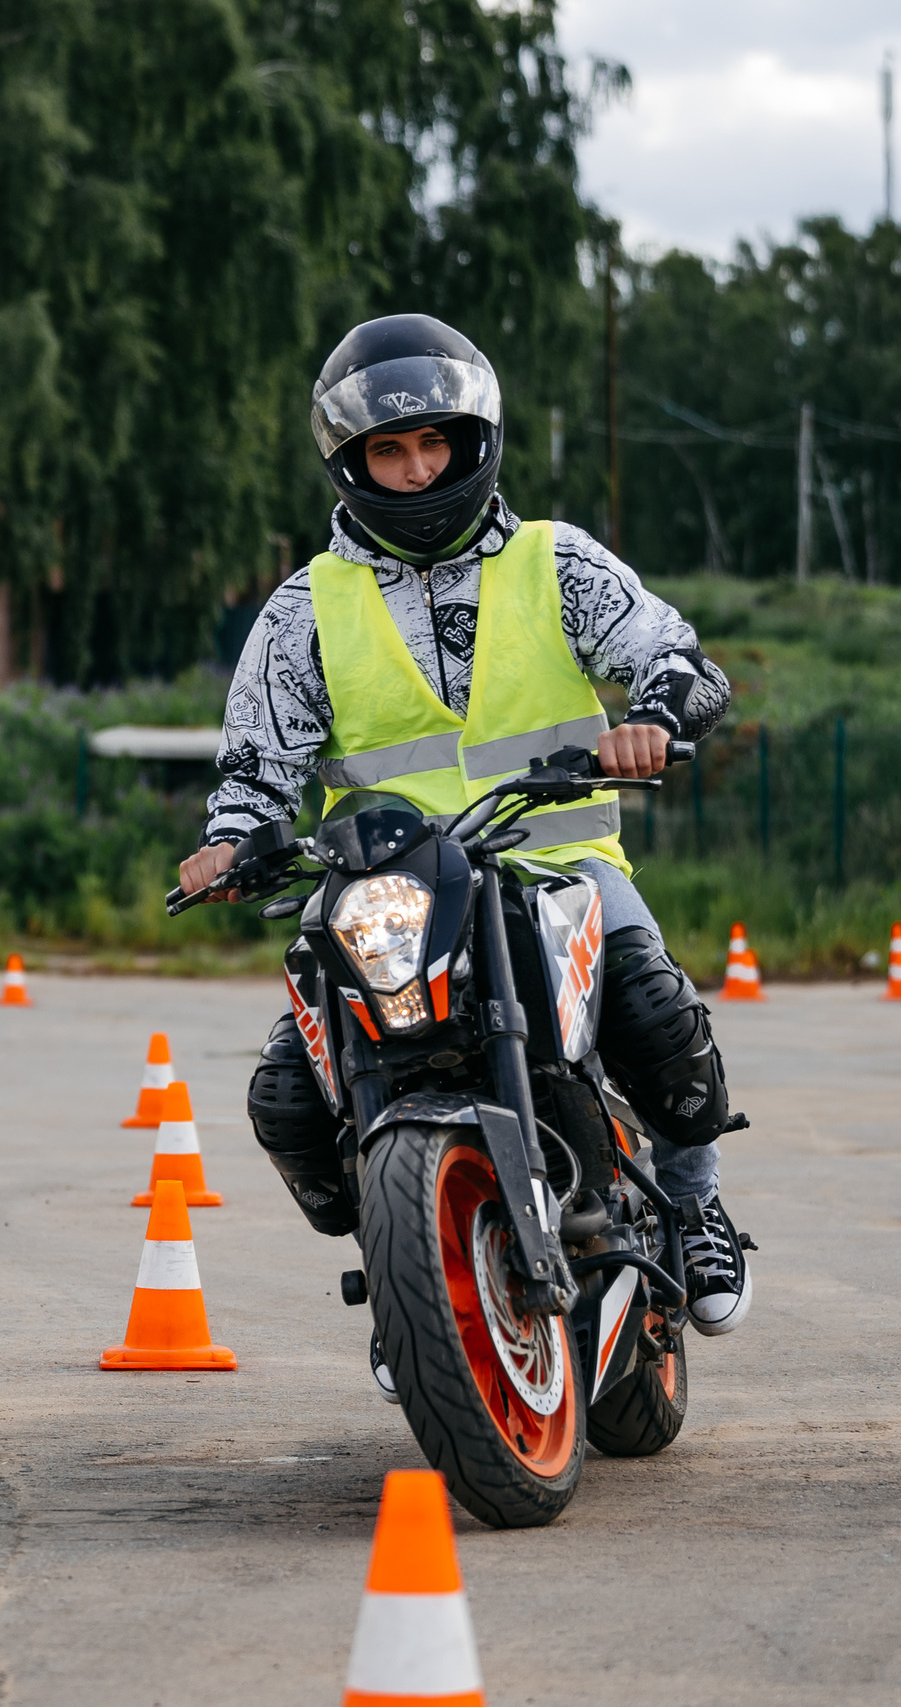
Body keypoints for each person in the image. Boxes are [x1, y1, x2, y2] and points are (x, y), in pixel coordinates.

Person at [179, 313, 752, 1392]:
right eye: (388, 452)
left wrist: (658, 715)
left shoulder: (556, 562)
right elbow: (257, 769)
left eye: (431, 443)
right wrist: (226, 845)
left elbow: (676, 658)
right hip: (385, 892)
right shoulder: (305, 608)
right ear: (352, 464)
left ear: (472, 439)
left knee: (649, 1004)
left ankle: (692, 1200)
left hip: (554, 869)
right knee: (288, 1098)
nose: (414, 468)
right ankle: (410, 1269)